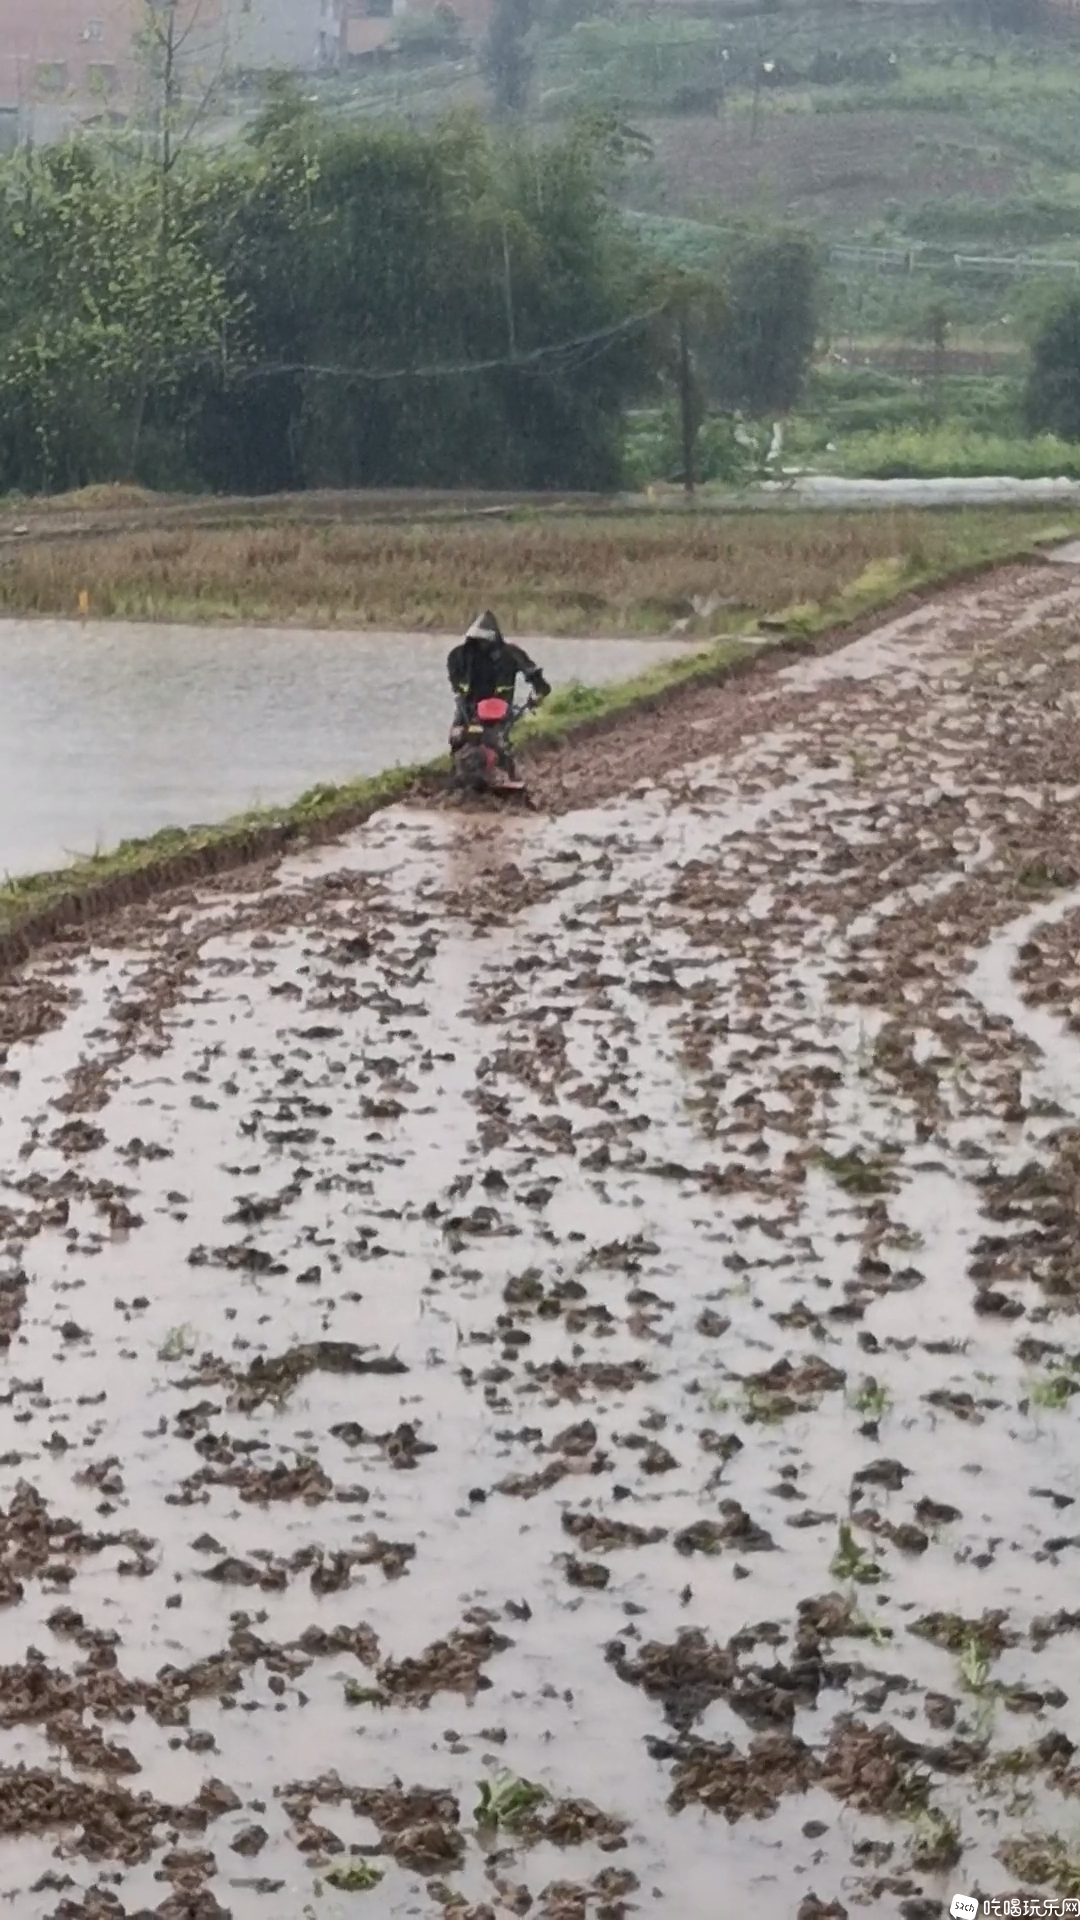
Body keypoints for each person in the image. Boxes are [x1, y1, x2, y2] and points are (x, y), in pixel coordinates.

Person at [447, 611, 550, 732]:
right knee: (456, 737)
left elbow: (533, 674)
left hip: (499, 711)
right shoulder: (461, 655)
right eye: (478, 640)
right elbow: (455, 680)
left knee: (506, 742)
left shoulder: (511, 654)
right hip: (468, 710)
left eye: (485, 640)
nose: (481, 644)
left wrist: (538, 692)